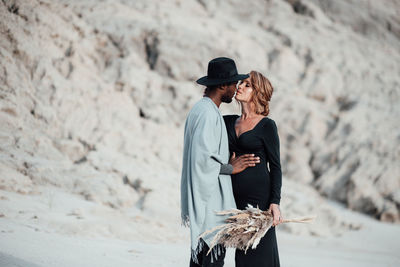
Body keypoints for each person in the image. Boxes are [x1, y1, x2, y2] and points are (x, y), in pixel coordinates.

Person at [181, 57, 261, 267]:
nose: (236, 89)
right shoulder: (208, 114)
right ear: (223, 85)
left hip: (205, 207)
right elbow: (202, 160)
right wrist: (230, 168)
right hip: (210, 211)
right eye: (234, 83)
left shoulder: (202, 109)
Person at [223, 70, 283, 267]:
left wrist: (275, 202)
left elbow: (275, 166)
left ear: (258, 92)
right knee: (242, 255)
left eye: (247, 85)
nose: (239, 86)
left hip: (260, 201)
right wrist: (228, 167)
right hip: (234, 200)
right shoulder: (227, 121)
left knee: (259, 254)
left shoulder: (267, 126)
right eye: (241, 83)